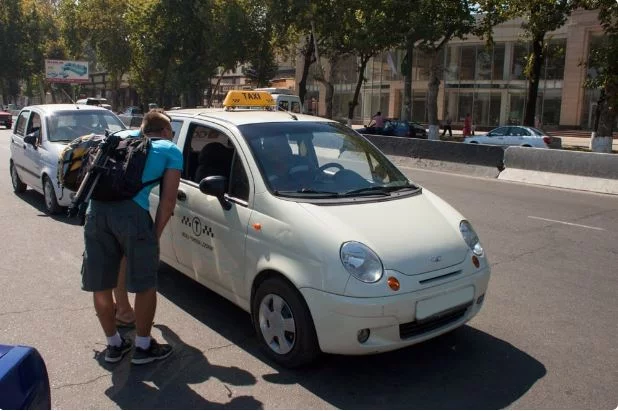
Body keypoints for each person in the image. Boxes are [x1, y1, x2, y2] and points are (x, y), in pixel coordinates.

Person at [81, 110, 183, 364]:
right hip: (132, 216)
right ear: (166, 131)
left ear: (142, 128)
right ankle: (143, 346)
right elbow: (168, 201)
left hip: (95, 212)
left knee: (101, 284)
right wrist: (154, 235)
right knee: (145, 284)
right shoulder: (169, 149)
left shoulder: (120, 137)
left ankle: (114, 344)